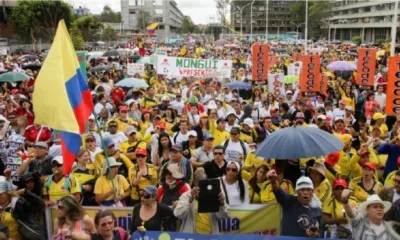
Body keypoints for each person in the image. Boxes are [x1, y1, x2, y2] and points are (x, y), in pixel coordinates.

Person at [267, 170, 322, 237]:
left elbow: (320, 232)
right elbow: (278, 191)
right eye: (302, 189)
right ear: (297, 192)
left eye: (308, 189)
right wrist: (273, 181)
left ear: (312, 192)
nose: (305, 192)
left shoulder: (318, 210)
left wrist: (315, 234)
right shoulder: (289, 201)